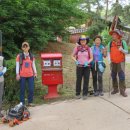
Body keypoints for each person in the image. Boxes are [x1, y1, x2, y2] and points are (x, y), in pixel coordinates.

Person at [108, 29, 128, 97]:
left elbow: (127, 52)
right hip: (113, 62)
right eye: (112, 34)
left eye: (115, 34)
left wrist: (122, 50)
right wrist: (109, 60)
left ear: (118, 35)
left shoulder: (123, 42)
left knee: (121, 76)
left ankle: (122, 91)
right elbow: (108, 52)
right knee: (113, 76)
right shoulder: (110, 43)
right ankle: (115, 89)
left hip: (121, 62)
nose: (113, 36)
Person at [16, 42, 37, 106]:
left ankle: (30, 102)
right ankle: (22, 103)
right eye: (24, 46)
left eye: (26, 46)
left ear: (29, 47)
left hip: (30, 75)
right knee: (22, 90)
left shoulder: (31, 56)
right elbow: (17, 66)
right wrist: (17, 74)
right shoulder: (19, 56)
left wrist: (35, 72)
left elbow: (33, 65)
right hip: (22, 75)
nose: (25, 48)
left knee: (31, 89)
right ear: (22, 48)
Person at [72, 35, 93, 100]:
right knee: (79, 80)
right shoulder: (77, 48)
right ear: (80, 41)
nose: (83, 41)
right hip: (79, 66)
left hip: (87, 67)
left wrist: (88, 62)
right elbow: (72, 56)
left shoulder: (89, 48)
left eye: (84, 40)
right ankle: (77, 93)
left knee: (86, 80)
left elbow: (92, 58)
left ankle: (85, 94)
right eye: (81, 40)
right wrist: (76, 61)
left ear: (86, 41)